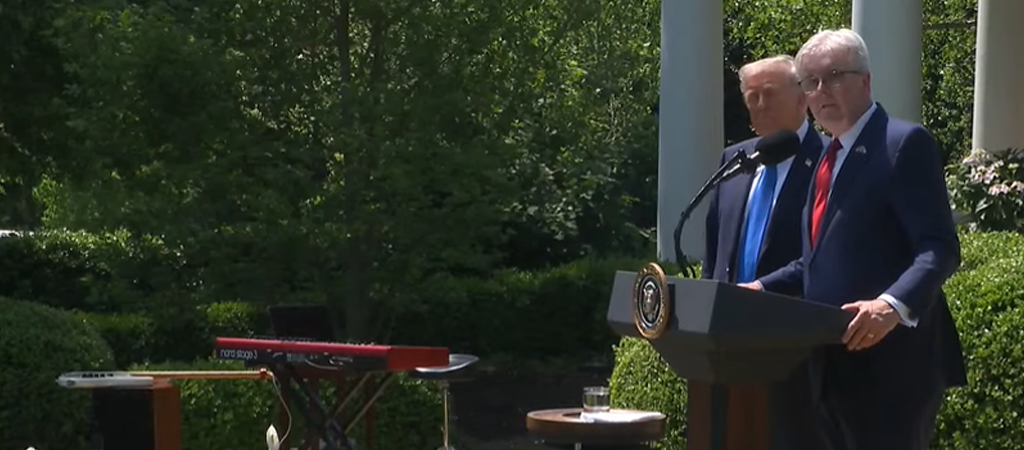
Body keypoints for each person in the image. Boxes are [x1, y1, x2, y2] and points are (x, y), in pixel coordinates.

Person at [739, 29, 966, 450]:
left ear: (865, 81)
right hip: (827, 364)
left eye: (835, 76)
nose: (821, 90)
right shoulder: (827, 155)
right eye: (811, 82)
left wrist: (890, 305)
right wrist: (761, 287)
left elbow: (939, 248)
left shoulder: (902, 144)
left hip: (892, 368)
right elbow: (815, 260)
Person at [701, 55, 829, 450]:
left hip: (796, 353)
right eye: (752, 97)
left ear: (802, 98)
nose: (759, 106)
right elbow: (715, 251)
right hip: (727, 351)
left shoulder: (828, 162)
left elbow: (820, 255)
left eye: (769, 94)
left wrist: (760, 288)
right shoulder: (735, 162)